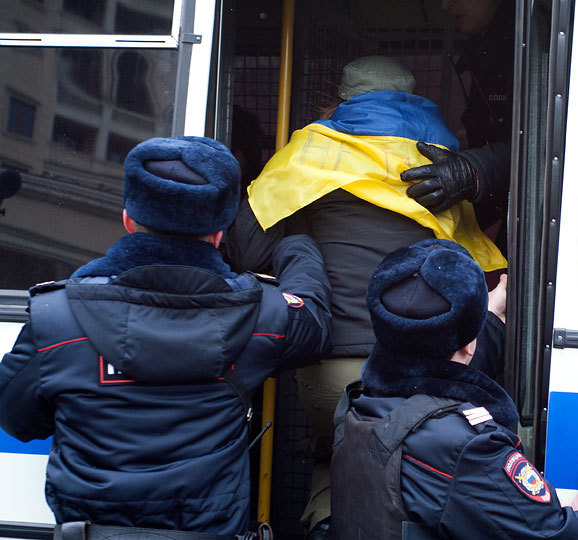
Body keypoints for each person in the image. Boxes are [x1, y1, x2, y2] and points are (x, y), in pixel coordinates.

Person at [226, 56, 506, 540]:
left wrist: (301, 236)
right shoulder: (440, 159)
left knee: (338, 453)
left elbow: (246, 247)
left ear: (339, 99)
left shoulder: (310, 150)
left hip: (327, 366)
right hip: (423, 369)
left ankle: (325, 524)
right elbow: (477, 270)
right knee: (412, 466)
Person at [0, 136, 332, 537]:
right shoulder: (263, 313)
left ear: (127, 219)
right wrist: (297, 242)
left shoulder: (56, 318)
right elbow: (314, 324)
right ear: (220, 234)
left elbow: (17, 420)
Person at [330, 238, 578, 539]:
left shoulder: (359, 401)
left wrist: (483, 317)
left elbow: (433, 374)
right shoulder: (470, 450)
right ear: (469, 345)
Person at [401, 0, 519, 254]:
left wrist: (471, 171)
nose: (445, 6)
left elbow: (543, 147)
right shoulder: (486, 51)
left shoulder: (531, 45)